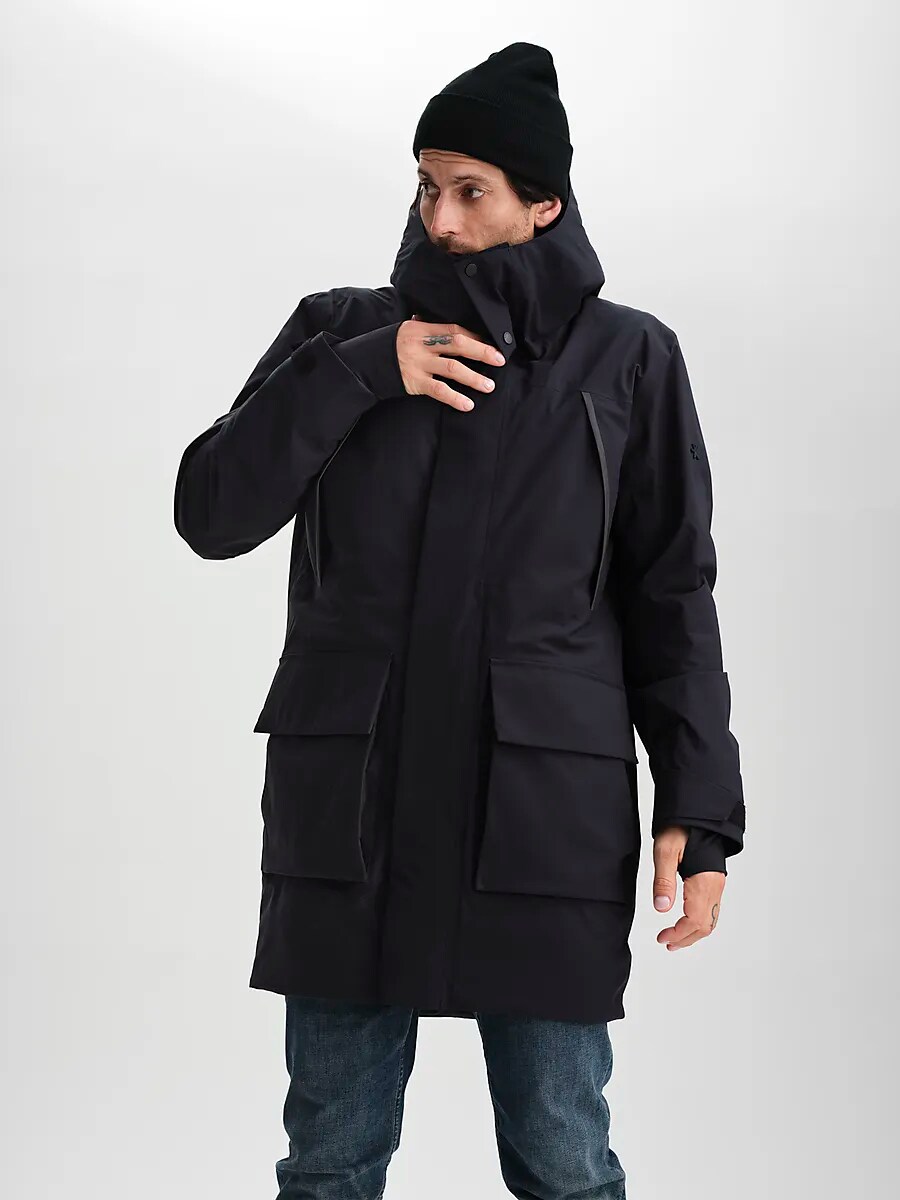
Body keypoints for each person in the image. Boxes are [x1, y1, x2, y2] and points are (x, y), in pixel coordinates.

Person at [173, 40, 745, 1200]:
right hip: (353, 814)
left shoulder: (629, 357)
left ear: (545, 202)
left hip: (539, 819)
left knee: (563, 1157)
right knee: (329, 1162)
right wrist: (359, 373)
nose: (440, 218)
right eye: (427, 185)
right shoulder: (338, 333)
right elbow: (211, 512)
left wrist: (700, 807)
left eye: (471, 191)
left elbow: (671, 594)